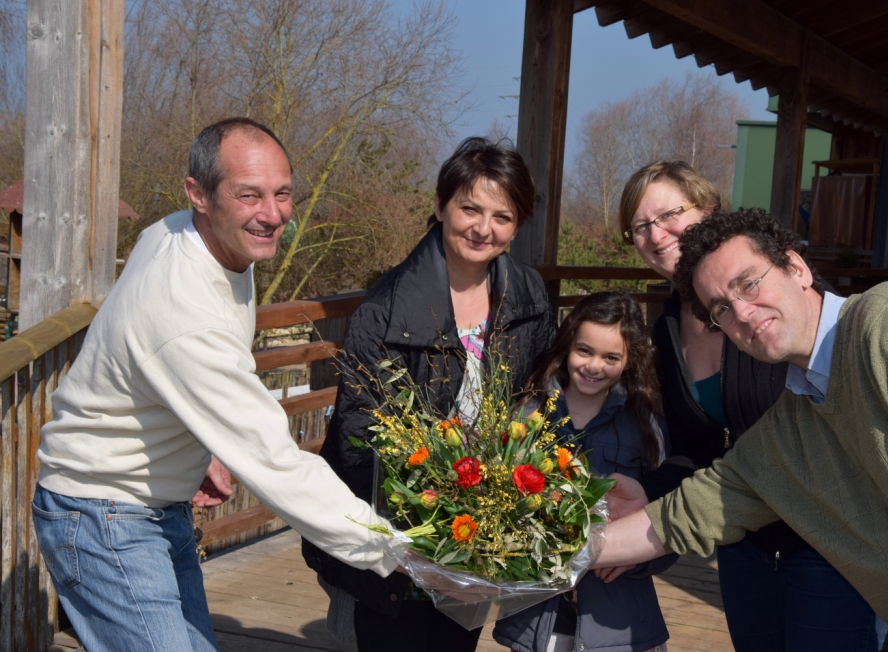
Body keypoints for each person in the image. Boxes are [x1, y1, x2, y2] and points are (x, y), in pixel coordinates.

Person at [32, 118, 397, 652]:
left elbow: (141, 363)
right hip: (101, 509)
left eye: (282, 193)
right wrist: (393, 549)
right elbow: (274, 462)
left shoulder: (184, 233)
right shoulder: (183, 308)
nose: (272, 214)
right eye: (248, 195)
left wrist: (194, 440)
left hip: (156, 502)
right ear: (198, 194)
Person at [596, 208, 888, 651]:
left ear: (797, 267)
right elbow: (695, 510)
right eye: (721, 308)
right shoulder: (796, 417)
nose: (742, 312)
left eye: (749, 283)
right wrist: (565, 552)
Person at [612, 161, 885, 650]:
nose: (655, 234)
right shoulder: (668, 329)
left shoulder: (772, 304)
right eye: (639, 227)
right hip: (742, 543)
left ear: (709, 209)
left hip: (828, 539)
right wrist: (646, 491)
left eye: (669, 214)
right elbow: (699, 450)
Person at [303, 137, 556, 652]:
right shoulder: (385, 307)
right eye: (470, 209)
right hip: (401, 526)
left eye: (503, 217)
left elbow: (539, 395)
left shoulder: (527, 295)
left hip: (479, 525)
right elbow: (358, 428)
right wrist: (428, 501)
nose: (483, 228)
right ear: (440, 206)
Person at [492, 292, 674, 652]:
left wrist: (636, 557)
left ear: (629, 360)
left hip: (618, 621)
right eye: (584, 351)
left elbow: (672, 518)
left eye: (611, 358)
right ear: (567, 346)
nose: (594, 366)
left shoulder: (646, 425)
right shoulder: (527, 414)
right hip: (536, 617)